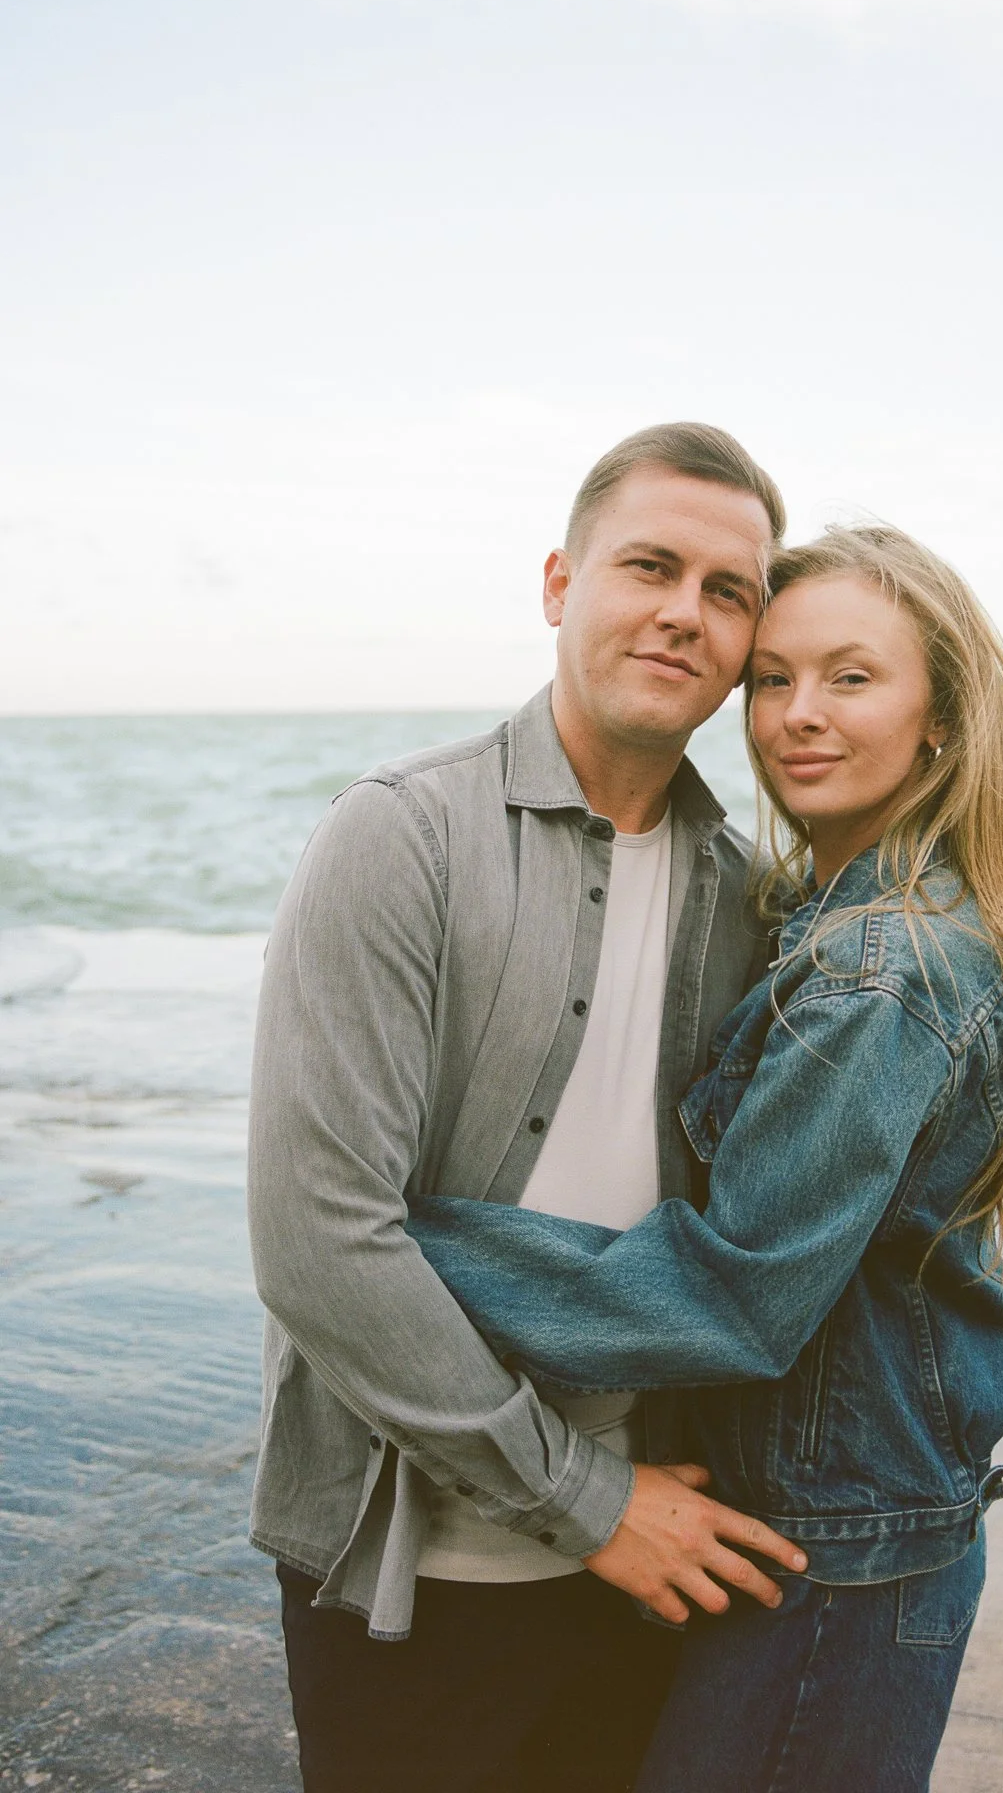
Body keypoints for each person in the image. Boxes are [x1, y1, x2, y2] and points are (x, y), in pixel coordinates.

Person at [409, 524, 1003, 1793]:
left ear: (939, 713)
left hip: (836, 1560)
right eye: (772, 678)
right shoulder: (837, 920)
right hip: (829, 1529)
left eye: (850, 677)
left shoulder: (876, 971)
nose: (794, 717)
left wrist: (402, 1237)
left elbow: (734, 1295)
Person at [245, 423, 811, 1793]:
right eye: (650, 567)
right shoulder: (400, 834)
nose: (684, 612)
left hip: (651, 1553)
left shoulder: (744, 898)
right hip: (412, 1561)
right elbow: (320, 1240)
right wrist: (586, 1503)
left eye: (727, 591)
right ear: (562, 582)